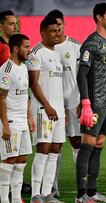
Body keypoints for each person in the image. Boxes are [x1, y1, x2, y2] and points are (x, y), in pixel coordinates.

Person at [76, 3, 106, 203]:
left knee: (99, 145)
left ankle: (92, 192)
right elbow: (82, 74)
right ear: (98, 17)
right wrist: (85, 102)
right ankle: (80, 196)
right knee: (87, 146)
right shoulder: (91, 43)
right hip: (94, 104)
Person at [27, 16, 64, 203]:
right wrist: (47, 106)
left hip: (59, 110)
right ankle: (35, 194)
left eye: (58, 30)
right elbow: (33, 83)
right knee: (43, 149)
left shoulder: (57, 53)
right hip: (44, 109)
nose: (57, 34)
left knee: (55, 149)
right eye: (52, 31)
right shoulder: (36, 53)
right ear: (42, 32)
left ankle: (48, 193)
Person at [46, 9, 82, 197]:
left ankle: (81, 188)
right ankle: (53, 187)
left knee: (77, 142)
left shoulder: (76, 46)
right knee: (55, 145)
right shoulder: (43, 49)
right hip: (53, 105)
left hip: (74, 102)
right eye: (55, 26)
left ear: (64, 24)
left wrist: (83, 100)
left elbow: (84, 76)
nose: (58, 29)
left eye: (60, 24)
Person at [0, 33, 34, 203]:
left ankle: (16, 199)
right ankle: (5, 200)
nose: (29, 50)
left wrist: (29, 117)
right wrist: (5, 124)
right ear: (15, 48)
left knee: (22, 160)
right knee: (9, 160)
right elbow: (1, 98)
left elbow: (25, 95)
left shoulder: (23, 67)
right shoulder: (6, 70)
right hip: (11, 121)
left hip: (22, 121)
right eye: (26, 47)